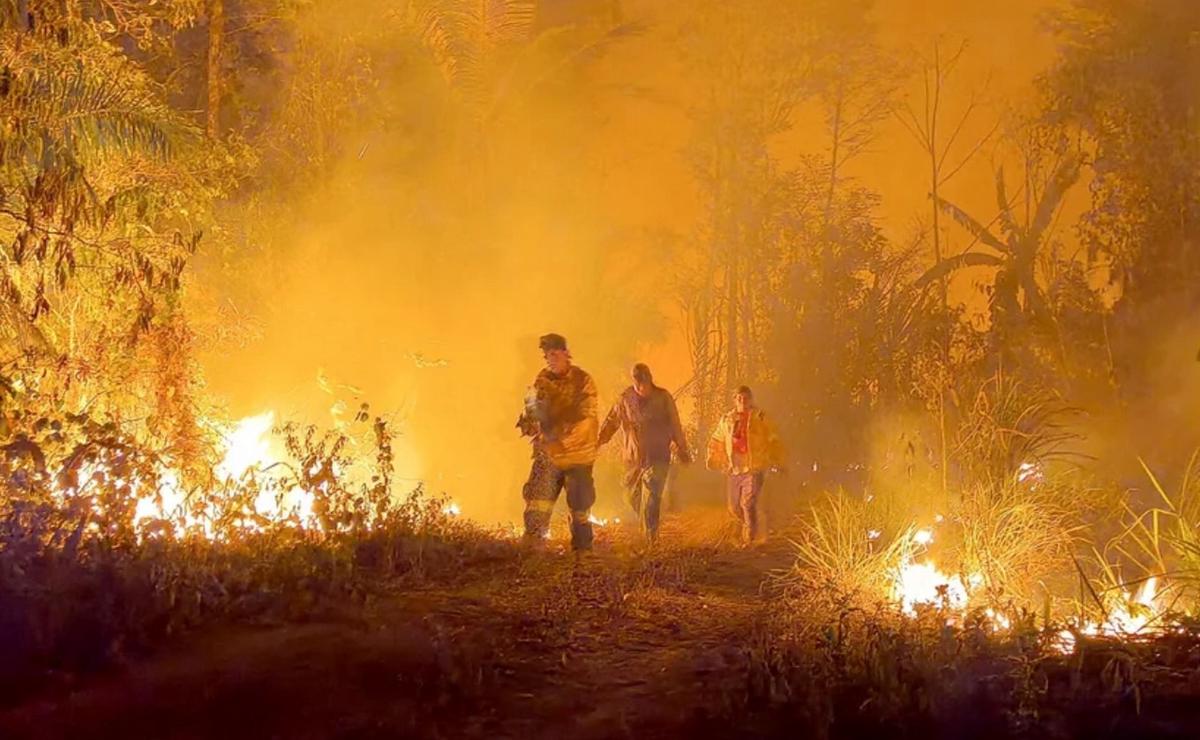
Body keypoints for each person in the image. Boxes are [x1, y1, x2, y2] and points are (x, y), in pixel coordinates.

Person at [516, 333, 599, 552]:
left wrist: (558, 437)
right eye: (546, 356)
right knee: (537, 501)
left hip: (577, 455)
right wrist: (529, 420)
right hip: (549, 454)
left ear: (565, 353)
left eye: (553, 354)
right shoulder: (542, 379)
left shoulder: (583, 380)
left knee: (580, 507)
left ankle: (582, 557)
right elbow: (535, 412)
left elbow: (585, 418)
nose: (549, 359)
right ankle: (532, 550)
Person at [598, 363, 691, 542]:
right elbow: (612, 421)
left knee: (652, 497)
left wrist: (682, 448)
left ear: (650, 380)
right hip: (633, 458)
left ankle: (651, 539)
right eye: (637, 384)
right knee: (630, 496)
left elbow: (675, 424)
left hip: (658, 456)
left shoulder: (663, 398)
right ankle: (648, 525)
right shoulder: (625, 399)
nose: (641, 388)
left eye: (644, 383)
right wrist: (599, 440)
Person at [706, 385, 784, 545]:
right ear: (734, 400)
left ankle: (750, 538)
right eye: (739, 398)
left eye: (746, 398)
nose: (743, 401)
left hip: (754, 467)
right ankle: (751, 525)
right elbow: (717, 439)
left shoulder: (760, 417)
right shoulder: (726, 419)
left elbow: (773, 435)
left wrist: (775, 454)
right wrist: (713, 457)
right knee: (734, 507)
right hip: (734, 469)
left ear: (751, 399)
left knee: (747, 503)